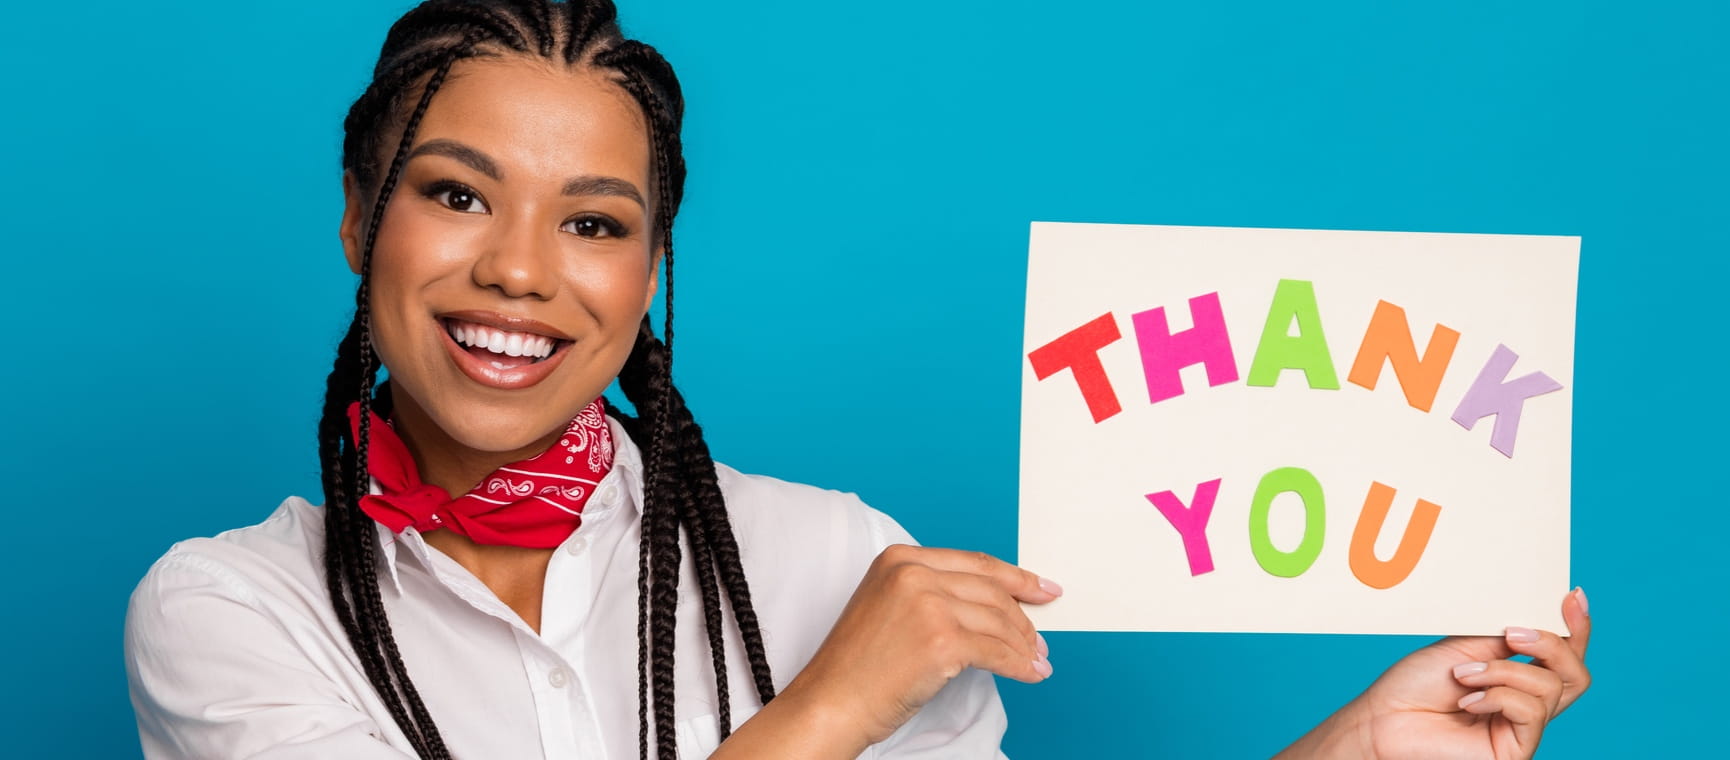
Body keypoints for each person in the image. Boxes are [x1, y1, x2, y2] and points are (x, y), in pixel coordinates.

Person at [122, 1, 1592, 758]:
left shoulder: (834, 556)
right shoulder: (229, 610)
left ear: (647, 275)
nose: (520, 268)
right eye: (455, 194)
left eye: (594, 223)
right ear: (354, 218)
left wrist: (1353, 753)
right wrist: (832, 710)